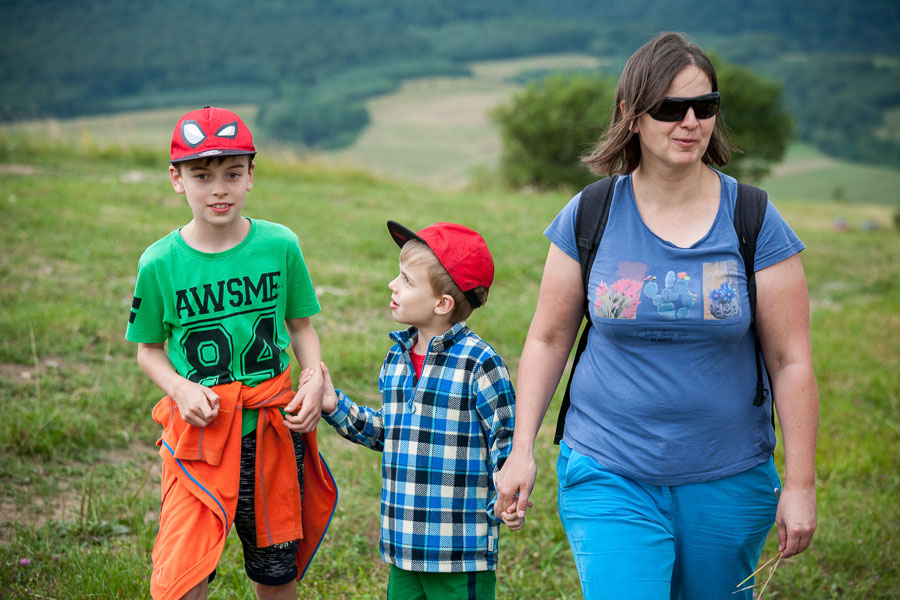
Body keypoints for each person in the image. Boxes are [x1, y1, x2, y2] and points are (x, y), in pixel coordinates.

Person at [493, 32, 819, 599]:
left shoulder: (755, 219)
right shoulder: (590, 213)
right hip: (607, 466)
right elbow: (547, 339)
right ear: (632, 114)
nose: (690, 121)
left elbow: (791, 361)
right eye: (671, 107)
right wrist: (521, 451)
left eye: (705, 106)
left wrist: (801, 483)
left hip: (729, 476)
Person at [125, 106, 337, 600]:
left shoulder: (280, 245)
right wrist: (180, 388)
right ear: (176, 180)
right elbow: (148, 351)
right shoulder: (159, 262)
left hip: (272, 433)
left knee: (275, 572)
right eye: (202, 175)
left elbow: (301, 327)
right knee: (185, 571)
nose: (218, 188)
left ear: (250, 176)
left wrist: (312, 377)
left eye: (232, 174)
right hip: (200, 438)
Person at [318, 220, 518, 600]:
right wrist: (335, 406)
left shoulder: (480, 363)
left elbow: (505, 442)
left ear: (442, 304)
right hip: (403, 545)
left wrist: (508, 498)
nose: (393, 284)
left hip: (459, 551)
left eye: (407, 281)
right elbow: (390, 433)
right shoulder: (397, 357)